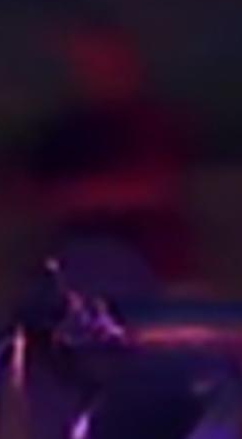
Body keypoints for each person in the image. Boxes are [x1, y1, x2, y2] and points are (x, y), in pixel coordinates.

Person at [21, 16, 203, 289]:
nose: (92, 70)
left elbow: (152, 187)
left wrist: (72, 196)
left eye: (101, 59)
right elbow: (25, 190)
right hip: (89, 273)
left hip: (155, 267)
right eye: (83, 62)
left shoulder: (149, 121)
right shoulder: (64, 129)